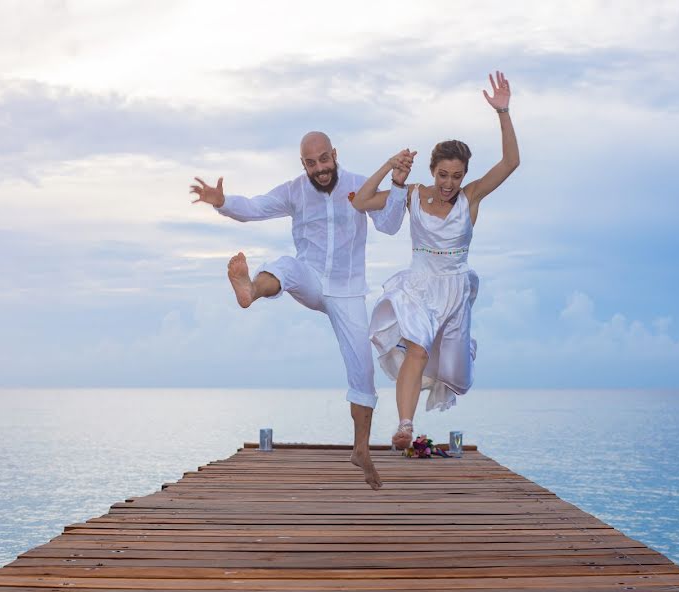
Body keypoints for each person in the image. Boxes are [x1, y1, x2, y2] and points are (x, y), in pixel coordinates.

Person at [190, 132, 414, 490]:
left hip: (348, 290)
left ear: (334, 154)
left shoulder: (359, 185)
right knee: (286, 266)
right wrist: (223, 202)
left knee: (363, 369)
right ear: (303, 164)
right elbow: (256, 207)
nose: (320, 169)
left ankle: (361, 450)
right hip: (310, 278)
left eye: (325, 159)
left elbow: (388, 225)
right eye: (311, 163)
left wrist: (397, 184)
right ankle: (249, 290)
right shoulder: (294, 190)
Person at [352, 71, 520, 449]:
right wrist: (388, 167)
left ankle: (459, 358)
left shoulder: (471, 198)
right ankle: (405, 426)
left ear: (465, 176)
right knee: (417, 346)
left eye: (456, 176)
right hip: (419, 284)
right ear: (432, 171)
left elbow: (511, 162)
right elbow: (362, 201)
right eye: (442, 174)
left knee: (456, 374)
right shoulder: (411, 194)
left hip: (455, 289)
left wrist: (503, 112)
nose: (448, 183)